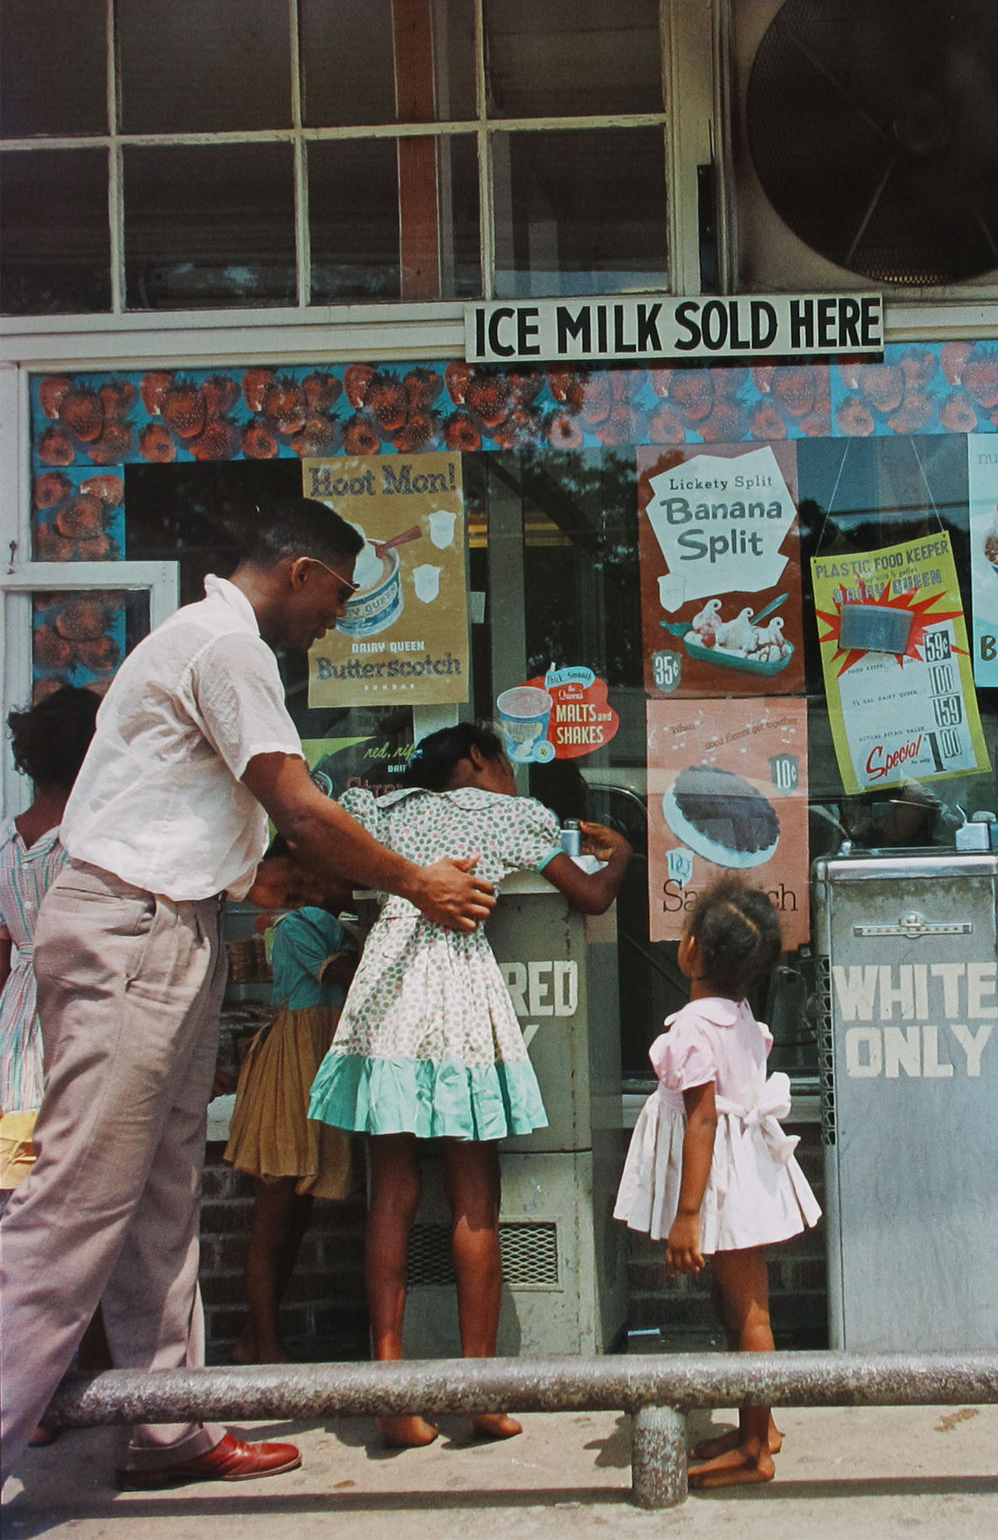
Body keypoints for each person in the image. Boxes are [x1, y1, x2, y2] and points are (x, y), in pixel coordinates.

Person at [0, 498, 498, 1488]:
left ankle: (165, 1426)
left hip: (161, 928)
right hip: (133, 931)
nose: (338, 620)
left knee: (158, 1199)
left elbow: (252, 839)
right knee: (76, 1201)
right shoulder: (226, 648)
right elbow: (299, 809)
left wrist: (294, 881)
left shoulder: (201, 642)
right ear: (302, 572)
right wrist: (416, 879)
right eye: (340, 598)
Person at [306, 721, 632, 1449]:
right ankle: (479, 1394)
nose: (515, 775)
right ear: (478, 760)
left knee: (391, 1190)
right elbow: (590, 898)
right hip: (453, 993)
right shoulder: (517, 818)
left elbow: (319, 831)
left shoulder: (390, 813)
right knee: (474, 1195)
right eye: (507, 760)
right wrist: (624, 856)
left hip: (385, 991)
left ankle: (392, 1391)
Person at [614, 876, 821, 1489]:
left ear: (692, 949)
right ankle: (758, 1424)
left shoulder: (692, 1030)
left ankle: (756, 1451)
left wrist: (688, 1215)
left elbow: (701, 1118)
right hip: (744, 1172)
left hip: (723, 1185)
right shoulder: (737, 1015)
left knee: (750, 1312)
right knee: (736, 1307)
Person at [224, 843, 360, 1365]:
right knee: (275, 1216)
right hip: (291, 1076)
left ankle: (249, 1338)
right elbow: (350, 975)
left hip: (313, 1071)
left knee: (293, 1216)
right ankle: (266, 1344)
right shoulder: (303, 923)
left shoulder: (331, 923)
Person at [0, 686, 101, 1200]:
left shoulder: (2, 845)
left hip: (16, 1018)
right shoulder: (92, 846)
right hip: (80, 1010)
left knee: (17, 1183)